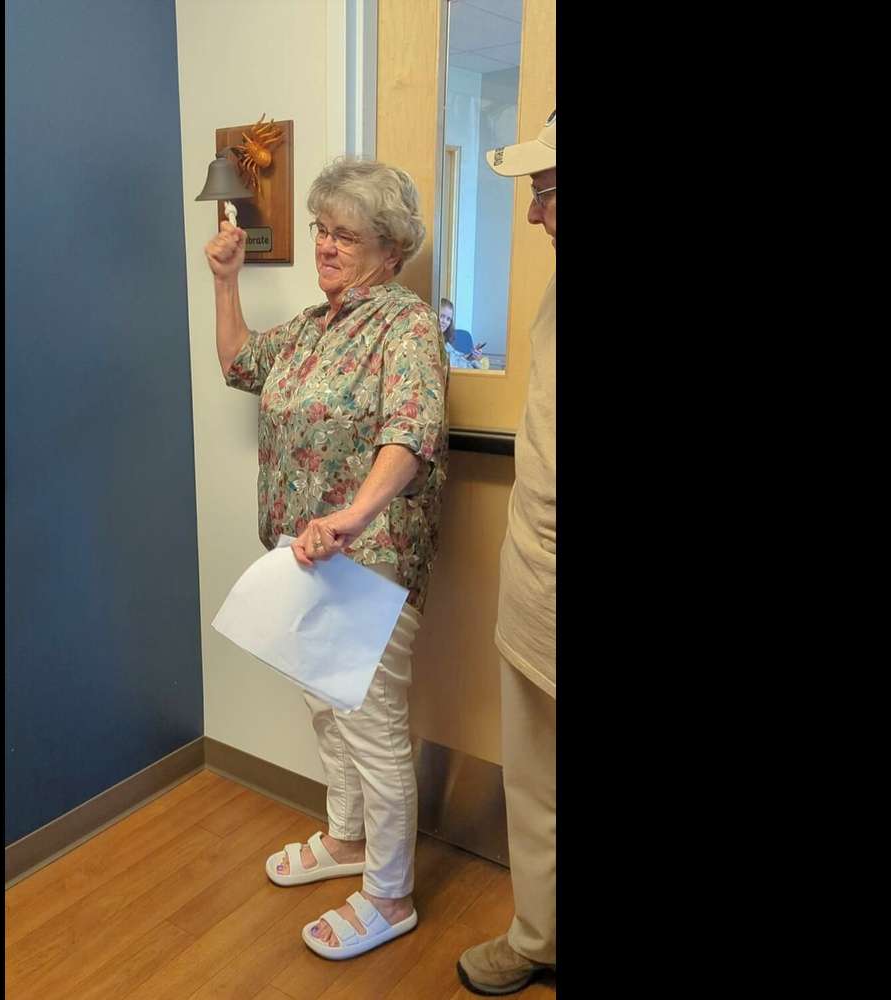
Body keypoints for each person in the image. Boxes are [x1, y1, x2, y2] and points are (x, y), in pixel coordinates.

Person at [205, 157, 449, 960]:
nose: (327, 245)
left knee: (372, 724)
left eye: (347, 234)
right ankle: (345, 840)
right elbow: (241, 360)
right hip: (301, 555)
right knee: (323, 703)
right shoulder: (315, 326)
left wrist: (349, 517)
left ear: (389, 248)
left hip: (368, 559)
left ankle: (390, 890)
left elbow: (408, 434)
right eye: (322, 229)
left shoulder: (403, 324)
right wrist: (227, 281)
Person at [456, 108, 557, 996]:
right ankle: (538, 938)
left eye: (548, 190)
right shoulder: (554, 291)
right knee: (535, 782)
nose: (533, 213)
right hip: (535, 586)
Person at [438, 298, 486, 369]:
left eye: (448, 319)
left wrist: (471, 356)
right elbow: (452, 364)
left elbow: (457, 358)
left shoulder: (445, 343)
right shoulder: (430, 342)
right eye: (442, 316)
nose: (444, 321)